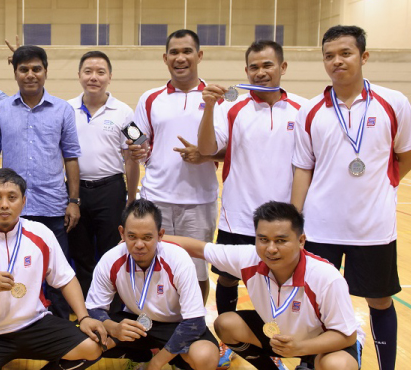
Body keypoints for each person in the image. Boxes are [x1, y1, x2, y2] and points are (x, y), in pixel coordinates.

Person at [291, 25, 411, 370]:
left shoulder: (394, 102)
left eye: (345, 53)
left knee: (379, 300)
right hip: (321, 226)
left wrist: (384, 185)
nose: (337, 61)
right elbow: (303, 168)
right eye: (329, 56)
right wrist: (294, 218)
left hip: (373, 227)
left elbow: (406, 156)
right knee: (316, 302)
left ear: (363, 57)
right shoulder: (311, 111)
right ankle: (310, 363)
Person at [196, 40, 308, 368]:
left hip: (283, 224)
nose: (260, 72)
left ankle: (290, 346)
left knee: (285, 285)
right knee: (228, 280)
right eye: (254, 67)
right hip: (239, 217)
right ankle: (230, 343)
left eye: (267, 65)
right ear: (246, 71)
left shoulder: (303, 109)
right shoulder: (232, 108)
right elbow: (205, 149)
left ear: (283, 68)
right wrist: (209, 108)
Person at [0, 168, 104, 370]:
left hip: (34, 325)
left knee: (94, 345)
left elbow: (65, 279)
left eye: (12, 197)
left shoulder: (41, 234)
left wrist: (83, 317)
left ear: (23, 202)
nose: (4, 204)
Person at [165, 201, 365, 370]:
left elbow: (346, 336)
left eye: (281, 240)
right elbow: (198, 248)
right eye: (263, 239)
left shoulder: (325, 277)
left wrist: (300, 348)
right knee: (226, 324)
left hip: (325, 343)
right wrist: (144, 238)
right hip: (283, 337)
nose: (271, 249)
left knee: (337, 365)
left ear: (301, 241)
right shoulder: (250, 258)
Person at [0, 45, 82, 318]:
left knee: (57, 273)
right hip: (11, 209)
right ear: (15, 73)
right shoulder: (1, 110)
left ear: (45, 71)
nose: (30, 74)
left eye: (36, 69)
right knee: (14, 270)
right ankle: (14, 323)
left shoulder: (63, 110)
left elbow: (71, 158)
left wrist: (73, 201)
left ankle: (62, 328)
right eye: (23, 69)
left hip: (52, 207)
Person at [133, 29, 218, 303]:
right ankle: (159, 327)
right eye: (174, 52)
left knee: (197, 272)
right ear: (165, 58)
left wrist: (205, 156)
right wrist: (137, 148)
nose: (180, 58)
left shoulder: (216, 97)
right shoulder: (150, 98)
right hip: (156, 198)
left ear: (199, 55)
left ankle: (194, 329)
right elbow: (136, 135)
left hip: (199, 201)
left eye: (187, 51)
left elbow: (229, 149)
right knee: (153, 268)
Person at [85, 199, 219, 370]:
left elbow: (195, 321)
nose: (139, 245)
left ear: (160, 235)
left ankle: (162, 357)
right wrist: (113, 328)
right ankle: (142, 354)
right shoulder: (111, 259)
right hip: (134, 322)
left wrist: (155, 365)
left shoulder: (178, 259)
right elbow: (93, 308)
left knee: (205, 356)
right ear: (122, 233)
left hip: (175, 325)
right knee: (85, 341)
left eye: (147, 237)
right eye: (132, 236)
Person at [67, 50, 139, 299]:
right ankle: (87, 305)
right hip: (75, 192)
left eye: (100, 72)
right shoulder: (66, 110)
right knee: (81, 252)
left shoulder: (125, 112)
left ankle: (114, 304)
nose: (93, 77)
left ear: (110, 77)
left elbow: (134, 153)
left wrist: (131, 197)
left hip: (111, 190)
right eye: (88, 71)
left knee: (113, 250)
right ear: (79, 75)